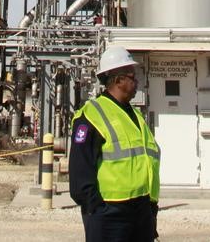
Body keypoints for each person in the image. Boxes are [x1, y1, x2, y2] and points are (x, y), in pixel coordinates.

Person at [69, 46, 160, 242]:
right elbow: (80, 171)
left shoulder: (134, 115)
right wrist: (97, 208)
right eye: (132, 77)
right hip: (110, 214)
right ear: (118, 80)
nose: (137, 82)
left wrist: (151, 208)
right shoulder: (92, 115)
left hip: (142, 210)